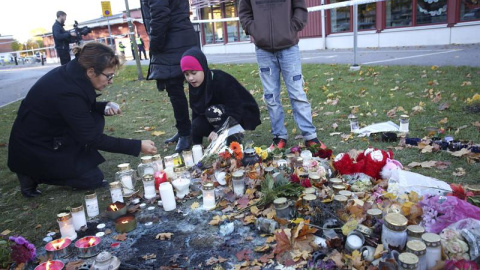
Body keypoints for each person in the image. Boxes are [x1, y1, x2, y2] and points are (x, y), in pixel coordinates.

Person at [8, 42, 157, 198]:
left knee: (95, 119)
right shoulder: (67, 91)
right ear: (91, 72)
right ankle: (31, 174)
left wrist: (103, 106)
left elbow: (76, 109)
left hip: (53, 133)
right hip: (35, 146)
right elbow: (92, 137)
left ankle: (74, 157)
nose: (111, 81)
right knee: (92, 180)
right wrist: (137, 145)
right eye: (109, 76)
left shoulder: (74, 75)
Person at [239, 0, 325, 150]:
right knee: (271, 96)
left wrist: (291, 28)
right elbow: (244, 13)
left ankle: (310, 137)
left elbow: (300, 8)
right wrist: (256, 31)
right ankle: (279, 136)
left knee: (297, 93)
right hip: (263, 50)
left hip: (289, 48)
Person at [140, 0, 198, 152]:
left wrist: (155, 45)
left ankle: (187, 133)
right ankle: (185, 130)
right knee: (182, 89)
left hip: (172, 40)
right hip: (177, 38)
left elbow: (160, 14)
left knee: (179, 89)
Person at [180, 47, 261, 145]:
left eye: (194, 73)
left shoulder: (221, 79)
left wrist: (218, 131)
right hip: (218, 115)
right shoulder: (195, 84)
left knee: (212, 111)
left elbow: (236, 109)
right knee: (197, 123)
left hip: (242, 113)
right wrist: (196, 146)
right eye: (186, 74)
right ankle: (219, 140)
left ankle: (231, 142)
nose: (191, 78)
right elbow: (196, 113)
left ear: (203, 68)